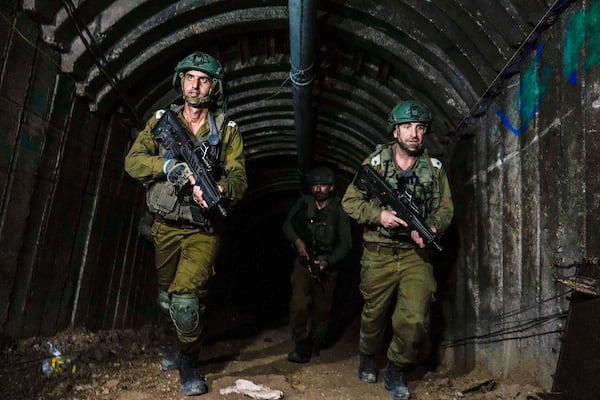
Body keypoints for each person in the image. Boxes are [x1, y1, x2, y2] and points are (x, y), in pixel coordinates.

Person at [124, 51, 247, 396]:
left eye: (203, 79)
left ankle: (189, 361)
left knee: (185, 301)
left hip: (203, 230)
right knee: (167, 299)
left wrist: (220, 189)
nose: (195, 86)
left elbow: (240, 177)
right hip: (165, 225)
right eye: (189, 78)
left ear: (214, 87)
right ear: (180, 82)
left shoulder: (227, 131)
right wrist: (168, 168)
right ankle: (179, 346)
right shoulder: (162, 120)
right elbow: (133, 161)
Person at [341, 100, 453, 400]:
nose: (413, 133)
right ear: (395, 132)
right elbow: (350, 202)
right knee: (374, 315)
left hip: (415, 255)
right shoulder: (375, 164)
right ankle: (367, 354)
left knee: (415, 317)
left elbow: (445, 209)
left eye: (419, 128)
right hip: (378, 253)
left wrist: (430, 229)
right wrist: (380, 216)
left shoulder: (435, 169)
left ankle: (396, 368)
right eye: (406, 127)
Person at [282, 166, 352, 363]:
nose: (318, 189)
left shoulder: (339, 209)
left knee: (322, 311)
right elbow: (288, 225)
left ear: (331, 187)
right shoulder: (304, 204)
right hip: (304, 264)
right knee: (298, 306)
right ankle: (301, 345)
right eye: (314, 185)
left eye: (322, 185)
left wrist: (327, 262)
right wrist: (298, 242)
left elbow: (346, 244)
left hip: (327, 267)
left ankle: (315, 345)